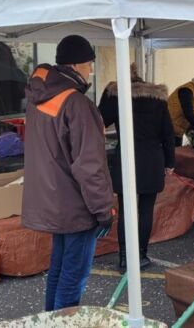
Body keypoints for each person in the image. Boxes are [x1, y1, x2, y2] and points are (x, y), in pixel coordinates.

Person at [21, 35, 115, 311]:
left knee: (59, 271)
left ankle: (51, 319)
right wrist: (102, 209)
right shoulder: (76, 103)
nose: (91, 70)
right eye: (89, 64)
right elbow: (90, 165)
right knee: (72, 278)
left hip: (50, 200)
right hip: (75, 206)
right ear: (75, 65)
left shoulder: (38, 97)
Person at [98, 65, 175, 271]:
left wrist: (107, 94)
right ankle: (141, 255)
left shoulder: (116, 94)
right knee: (146, 209)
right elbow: (168, 133)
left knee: (125, 211)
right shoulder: (157, 98)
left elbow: (99, 120)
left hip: (126, 158)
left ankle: (124, 258)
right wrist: (170, 163)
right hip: (152, 159)